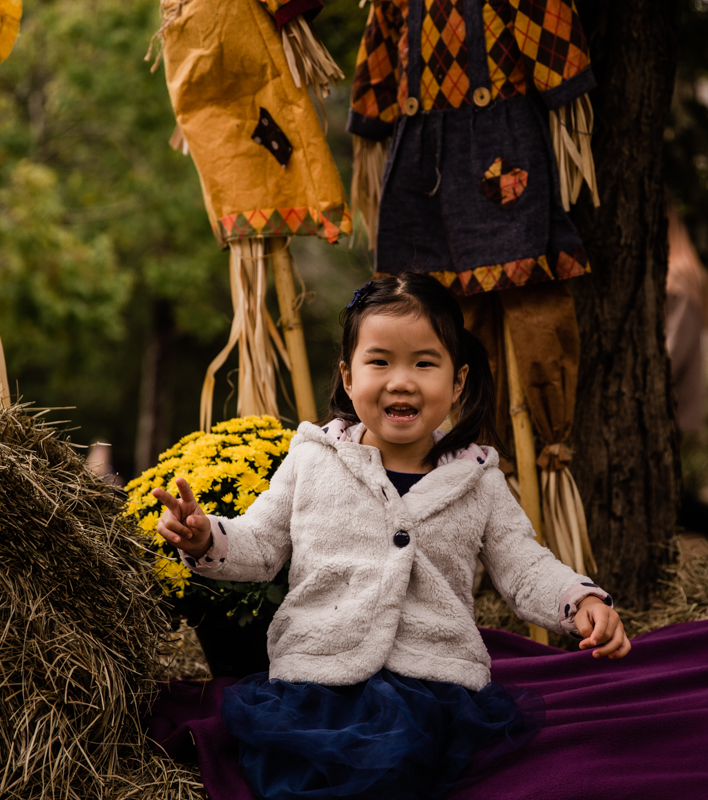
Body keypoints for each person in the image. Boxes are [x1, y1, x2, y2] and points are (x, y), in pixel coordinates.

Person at [152, 274, 629, 800]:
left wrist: (578, 597)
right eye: (379, 362)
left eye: (425, 363)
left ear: (458, 381)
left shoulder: (478, 478)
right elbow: (260, 546)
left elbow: (524, 566)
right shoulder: (313, 458)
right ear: (348, 377)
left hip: (435, 685)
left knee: (402, 761)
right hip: (319, 679)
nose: (401, 381)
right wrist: (205, 540)